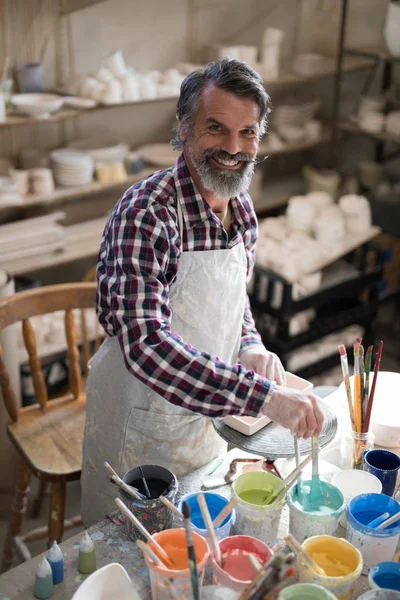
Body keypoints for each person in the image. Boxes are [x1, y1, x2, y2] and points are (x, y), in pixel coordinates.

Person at [81, 58, 324, 526]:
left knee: (193, 546)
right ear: (184, 130)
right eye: (216, 128)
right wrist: (263, 397)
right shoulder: (148, 214)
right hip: (140, 422)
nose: (234, 149)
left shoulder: (243, 210)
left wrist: (249, 344)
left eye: (248, 132)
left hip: (206, 416)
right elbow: (148, 346)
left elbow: (232, 297)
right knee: (128, 557)